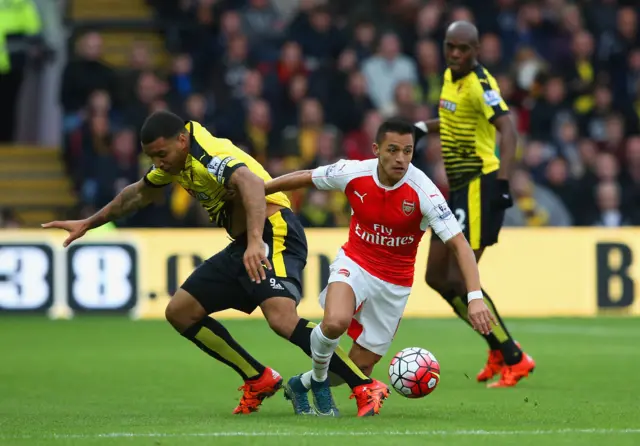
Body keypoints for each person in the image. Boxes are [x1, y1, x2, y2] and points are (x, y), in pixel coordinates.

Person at [42, 110, 386, 416]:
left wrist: (255, 243)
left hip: (274, 232)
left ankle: (362, 384)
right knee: (180, 311)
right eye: (152, 157)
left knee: (282, 319)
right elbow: (136, 194)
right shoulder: (175, 161)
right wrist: (88, 222)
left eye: (162, 154)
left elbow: (251, 184)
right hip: (244, 242)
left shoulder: (208, 153)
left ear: (181, 140)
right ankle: (258, 378)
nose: (159, 163)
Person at [264, 118, 496, 416]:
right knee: (335, 321)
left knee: (357, 366)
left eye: (408, 151)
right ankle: (320, 385)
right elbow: (307, 177)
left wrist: (475, 297)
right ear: (376, 149)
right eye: (393, 150)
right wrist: (261, 188)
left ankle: (303, 383)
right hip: (355, 263)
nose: (401, 158)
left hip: (394, 285)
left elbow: (460, 245)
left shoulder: (424, 190)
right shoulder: (352, 172)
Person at [413, 21, 536, 388]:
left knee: (460, 278)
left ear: (477, 50)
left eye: (462, 49)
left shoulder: (483, 85)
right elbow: (453, 119)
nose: (454, 54)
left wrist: (502, 183)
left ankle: (513, 356)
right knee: (435, 276)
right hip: (457, 189)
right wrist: (421, 127)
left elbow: (509, 130)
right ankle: (498, 347)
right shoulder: (450, 78)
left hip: (481, 186)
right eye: (450, 46)